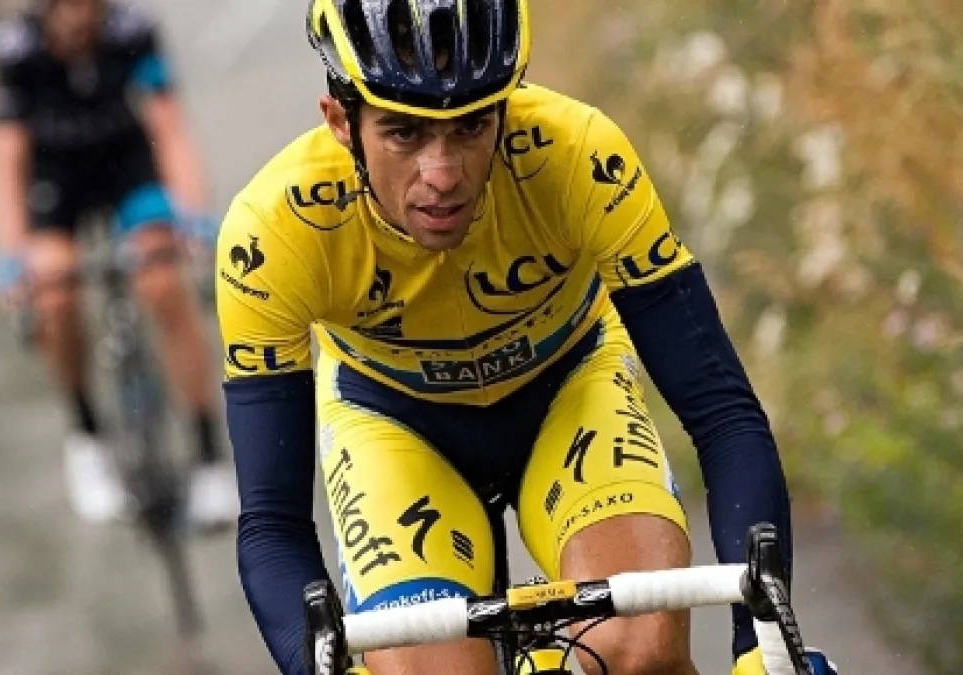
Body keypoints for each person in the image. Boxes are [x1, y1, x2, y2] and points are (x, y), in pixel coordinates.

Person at [217, 1, 839, 674]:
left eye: (471, 126)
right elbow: (274, 522)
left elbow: (721, 414)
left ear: (505, 110)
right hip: (393, 425)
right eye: (403, 133)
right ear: (342, 122)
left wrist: (760, 646)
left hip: (568, 387)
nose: (442, 174)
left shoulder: (578, 155)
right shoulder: (274, 232)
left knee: (640, 651)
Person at [0, 0, 237, 529]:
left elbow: (168, 124)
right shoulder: (15, 50)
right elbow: (7, 157)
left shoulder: (132, 31)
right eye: (68, 10)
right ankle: (87, 436)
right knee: (55, 291)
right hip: (56, 178)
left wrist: (192, 215)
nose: (80, 20)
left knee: (162, 280)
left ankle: (208, 455)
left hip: (126, 165)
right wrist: (12, 256)